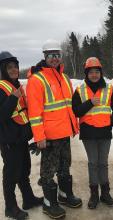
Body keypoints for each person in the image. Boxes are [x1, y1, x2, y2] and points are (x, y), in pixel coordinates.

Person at [26, 39, 82, 219]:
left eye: (57, 55)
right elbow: (34, 112)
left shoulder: (64, 78)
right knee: (48, 171)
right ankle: (49, 203)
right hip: (49, 136)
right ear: (45, 57)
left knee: (65, 166)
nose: (54, 58)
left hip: (65, 133)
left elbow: (69, 105)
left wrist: (74, 126)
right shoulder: (37, 80)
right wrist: (39, 137)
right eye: (51, 55)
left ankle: (65, 195)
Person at [0, 51, 43, 220]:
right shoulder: (2, 87)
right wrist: (12, 98)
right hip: (9, 141)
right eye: (9, 67)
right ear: (3, 69)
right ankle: (10, 207)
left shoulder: (16, 85)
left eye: (15, 67)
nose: (14, 70)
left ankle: (28, 199)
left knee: (24, 170)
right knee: (10, 175)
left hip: (21, 138)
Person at [72, 57, 113, 209]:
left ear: (100, 73)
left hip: (105, 132)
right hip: (88, 133)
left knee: (103, 163)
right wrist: (90, 102)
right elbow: (76, 111)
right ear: (86, 73)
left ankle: (105, 193)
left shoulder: (109, 89)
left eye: (97, 72)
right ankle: (94, 194)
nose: (94, 75)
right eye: (91, 72)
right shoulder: (80, 90)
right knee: (93, 163)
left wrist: (112, 121)